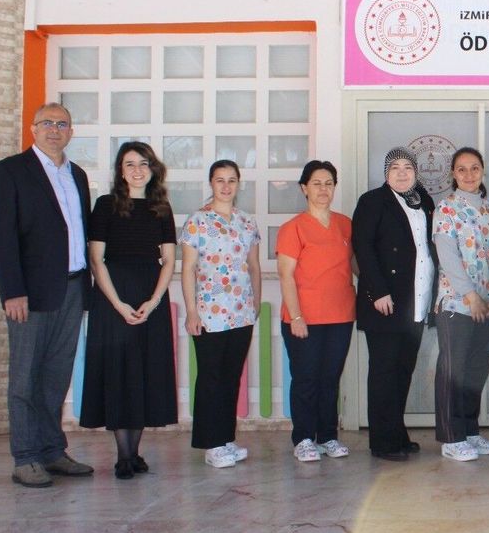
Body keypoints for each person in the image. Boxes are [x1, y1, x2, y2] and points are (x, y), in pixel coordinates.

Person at [0, 102, 95, 488]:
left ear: (71, 132)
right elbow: (1, 236)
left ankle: (52, 450)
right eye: (46, 123)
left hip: (72, 288)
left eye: (62, 124)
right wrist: (12, 291)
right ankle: (26, 456)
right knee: (25, 376)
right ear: (33, 129)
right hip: (29, 294)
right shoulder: (10, 172)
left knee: (56, 374)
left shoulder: (77, 175)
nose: (54, 129)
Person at [80, 142, 177, 479]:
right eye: (130, 164)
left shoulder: (161, 208)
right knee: (119, 373)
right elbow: (97, 260)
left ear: (153, 169)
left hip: (150, 296)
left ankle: (134, 453)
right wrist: (119, 304)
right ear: (120, 171)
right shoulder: (106, 205)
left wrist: (154, 301)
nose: (137, 170)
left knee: (144, 372)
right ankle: (123, 457)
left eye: (143, 163)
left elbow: (169, 260)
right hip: (113, 296)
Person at [352, 147, 437, 461]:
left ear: (416, 172)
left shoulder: (423, 201)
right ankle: (383, 442)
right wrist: (378, 292)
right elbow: (363, 247)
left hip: (416, 301)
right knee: (384, 372)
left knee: (403, 370)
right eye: (395, 168)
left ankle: (397, 434)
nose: (402, 173)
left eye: (408, 167)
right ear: (386, 173)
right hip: (386, 302)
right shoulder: (373, 201)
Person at [179, 159, 261, 469]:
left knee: (231, 376)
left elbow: (254, 266)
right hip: (209, 314)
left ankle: (226, 438)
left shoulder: (246, 222)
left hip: (241, 312)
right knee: (211, 377)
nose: (226, 186)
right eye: (219, 180)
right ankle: (211, 444)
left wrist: (255, 304)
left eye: (231, 180)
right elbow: (188, 268)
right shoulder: (198, 221)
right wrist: (191, 311)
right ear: (211, 183)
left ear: (238, 184)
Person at [277, 160, 356, 463]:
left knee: (330, 378)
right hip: (304, 318)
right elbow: (286, 275)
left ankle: (328, 436)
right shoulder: (292, 228)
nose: (323, 190)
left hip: (340, 315)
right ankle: (303, 438)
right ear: (304, 188)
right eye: (316, 184)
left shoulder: (344, 224)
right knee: (306, 378)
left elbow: (355, 264)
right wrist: (296, 316)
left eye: (329, 184)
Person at [433, 148, 489, 462]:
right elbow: (447, 257)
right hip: (457, 304)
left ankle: (470, 430)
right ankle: (451, 437)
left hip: (487, 305)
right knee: (453, 369)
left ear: (483, 170)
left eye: (475, 168)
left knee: (475, 370)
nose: (469, 174)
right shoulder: (446, 209)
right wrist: (470, 296)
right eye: (462, 169)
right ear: (453, 173)